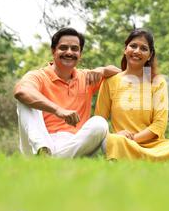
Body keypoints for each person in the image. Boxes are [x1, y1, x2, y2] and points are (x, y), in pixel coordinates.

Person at [14, 27, 121, 158]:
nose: (69, 52)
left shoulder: (86, 77)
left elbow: (122, 76)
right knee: (25, 101)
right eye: (63, 48)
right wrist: (58, 110)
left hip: (74, 143)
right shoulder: (39, 76)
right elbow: (21, 91)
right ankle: (43, 151)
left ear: (80, 54)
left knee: (100, 122)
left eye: (74, 49)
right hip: (40, 140)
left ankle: (49, 161)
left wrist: (103, 70)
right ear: (53, 51)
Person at [94, 28, 169, 161]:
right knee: (115, 141)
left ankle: (139, 157)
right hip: (123, 143)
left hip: (154, 146)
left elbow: (159, 126)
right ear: (125, 49)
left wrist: (133, 140)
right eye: (133, 46)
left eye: (143, 48)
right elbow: (99, 122)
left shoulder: (158, 82)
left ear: (149, 55)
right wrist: (118, 136)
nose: (137, 51)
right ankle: (150, 159)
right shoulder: (110, 81)